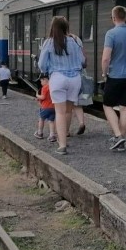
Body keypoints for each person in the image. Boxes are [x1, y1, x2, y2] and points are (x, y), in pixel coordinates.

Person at [37, 16, 85, 156]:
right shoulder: (74, 41)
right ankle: (65, 135)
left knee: (59, 112)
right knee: (68, 111)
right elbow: (82, 61)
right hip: (75, 78)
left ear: (53, 27)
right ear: (66, 27)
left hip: (58, 78)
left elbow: (42, 64)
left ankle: (62, 145)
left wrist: (46, 70)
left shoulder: (49, 42)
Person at [100, 5, 126, 152]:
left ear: (114, 18)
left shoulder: (111, 34)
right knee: (124, 108)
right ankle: (121, 140)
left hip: (115, 76)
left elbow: (105, 58)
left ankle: (118, 135)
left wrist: (104, 73)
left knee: (107, 105)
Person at [69, 33, 87, 135]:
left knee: (67, 106)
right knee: (77, 103)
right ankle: (81, 123)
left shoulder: (62, 38)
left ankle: (65, 130)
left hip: (69, 75)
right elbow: (83, 59)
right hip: (79, 75)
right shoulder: (77, 39)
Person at [33, 73, 57, 142]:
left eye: (41, 81)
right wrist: (39, 99)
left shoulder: (45, 87)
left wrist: (37, 95)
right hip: (53, 107)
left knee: (41, 119)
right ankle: (52, 135)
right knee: (51, 121)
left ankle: (39, 133)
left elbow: (43, 97)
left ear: (44, 80)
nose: (41, 83)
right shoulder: (53, 86)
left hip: (45, 107)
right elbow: (47, 97)